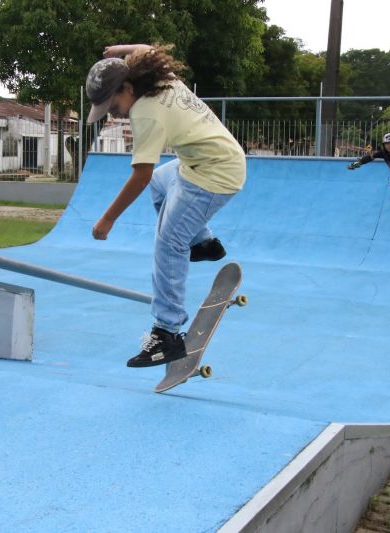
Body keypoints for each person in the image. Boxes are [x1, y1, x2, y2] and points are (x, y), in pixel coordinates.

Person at [85, 43, 246, 368]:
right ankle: (204, 244)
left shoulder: (145, 112)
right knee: (162, 184)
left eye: (114, 105)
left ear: (128, 87)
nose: (114, 114)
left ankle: (167, 334)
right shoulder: (164, 80)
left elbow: (139, 176)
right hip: (208, 161)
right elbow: (148, 49)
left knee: (168, 242)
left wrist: (107, 219)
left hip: (213, 174)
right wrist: (120, 50)